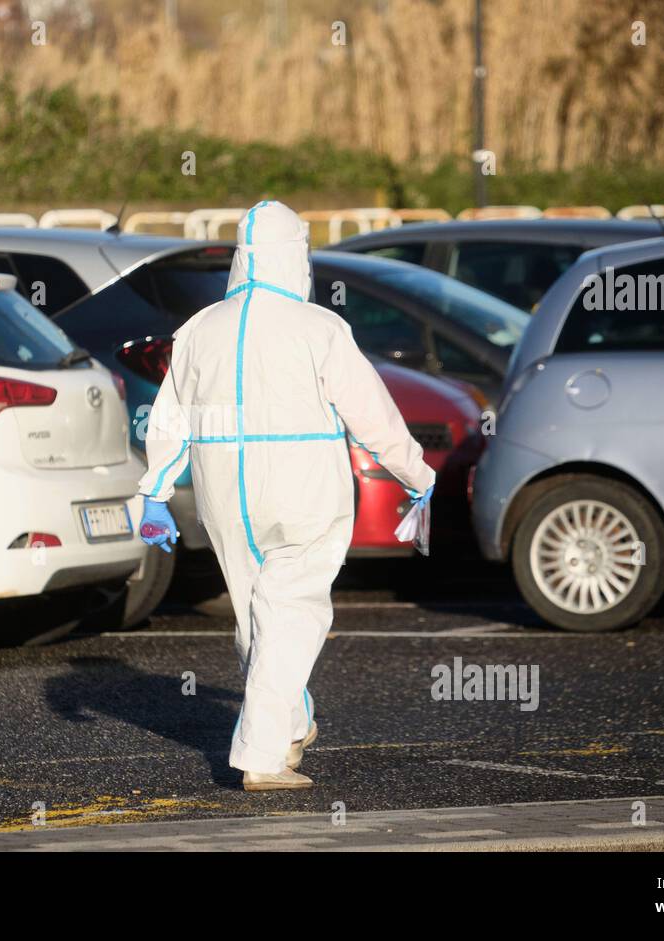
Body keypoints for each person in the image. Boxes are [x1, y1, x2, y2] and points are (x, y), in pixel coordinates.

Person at [136, 200, 435, 791]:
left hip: (225, 492)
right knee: (292, 613)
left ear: (241, 259)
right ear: (296, 256)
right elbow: (371, 413)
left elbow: (171, 417)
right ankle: (262, 757)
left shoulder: (199, 328)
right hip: (304, 490)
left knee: (258, 616)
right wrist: (417, 474)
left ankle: (292, 723)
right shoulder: (320, 328)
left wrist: (155, 491)